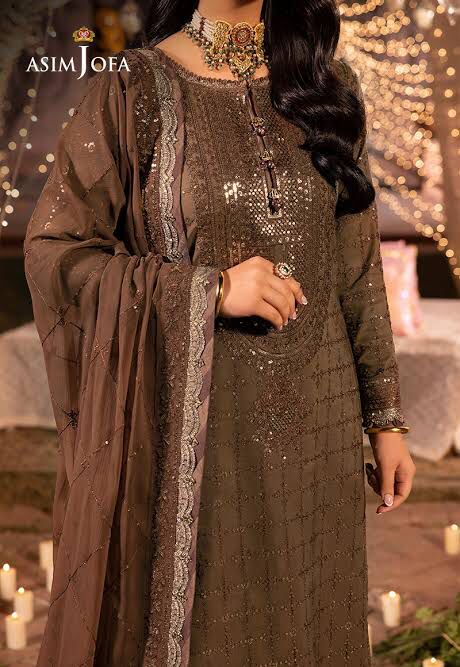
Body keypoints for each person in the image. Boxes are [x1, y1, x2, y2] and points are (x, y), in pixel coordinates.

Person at [24, 0, 416, 665]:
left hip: (321, 424)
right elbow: (55, 251)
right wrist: (208, 290)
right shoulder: (134, 89)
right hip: (203, 429)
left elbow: (357, 268)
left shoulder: (326, 85)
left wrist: (386, 419)